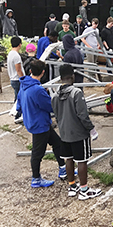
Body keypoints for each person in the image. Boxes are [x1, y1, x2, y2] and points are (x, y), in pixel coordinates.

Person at [52, 64, 102, 200]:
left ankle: (72, 186)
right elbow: (82, 115)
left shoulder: (55, 95)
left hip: (64, 133)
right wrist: (91, 129)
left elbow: (56, 114)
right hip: (79, 134)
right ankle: (84, 189)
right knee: (82, 161)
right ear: (72, 76)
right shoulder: (76, 93)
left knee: (68, 159)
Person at [16, 59, 66, 188]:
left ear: (31, 71)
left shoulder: (24, 84)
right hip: (40, 125)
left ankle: (63, 168)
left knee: (57, 143)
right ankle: (36, 179)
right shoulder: (37, 90)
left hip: (34, 121)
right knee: (37, 153)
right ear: (43, 72)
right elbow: (49, 106)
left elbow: (19, 102)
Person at [7, 36, 24, 103]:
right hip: (17, 80)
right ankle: (17, 112)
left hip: (12, 78)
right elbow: (19, 70)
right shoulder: (16, 56)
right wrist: (23, 79)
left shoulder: (10, 53)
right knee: (19, 99)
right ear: (20, 44)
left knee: (17, 97)